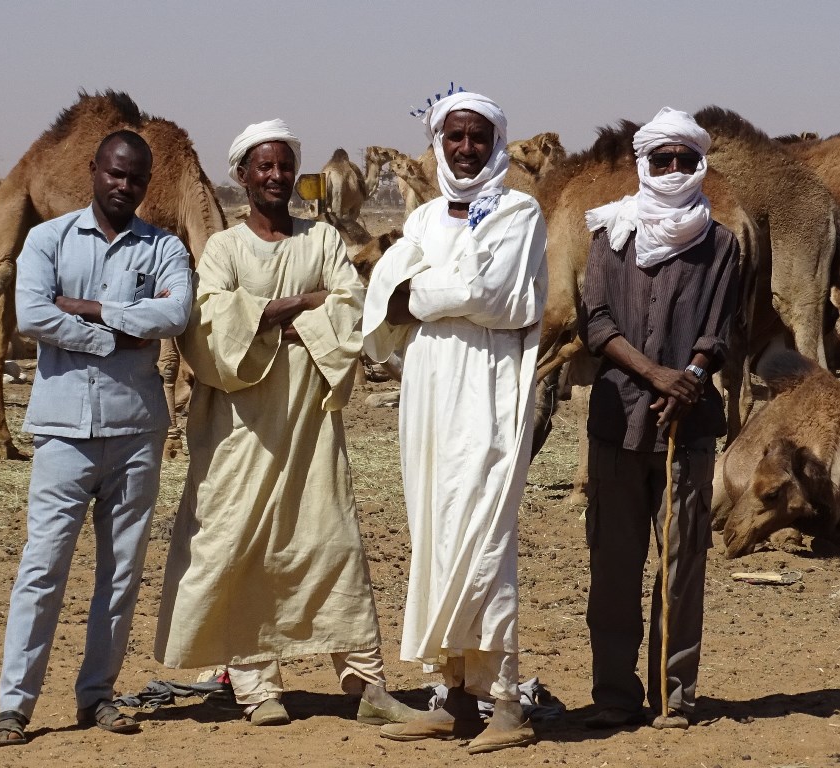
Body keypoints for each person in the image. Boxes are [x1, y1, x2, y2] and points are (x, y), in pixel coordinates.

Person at [154, 120, 418, 728]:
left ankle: (366, 680)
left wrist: (267, 320)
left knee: (331, 540)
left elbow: (350, 306)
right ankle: (255, 684)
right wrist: (298, 306)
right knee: (239, 546)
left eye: (282, 167)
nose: (274, 177)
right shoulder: (223, 249)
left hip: (310, 420)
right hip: (238, 428)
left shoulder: (322, 239)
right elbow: (212, 323)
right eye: (262, 167)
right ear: (243, 175)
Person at [0, 130, 194, 746]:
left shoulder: (165, 248)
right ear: (94, 171)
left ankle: (97, 695)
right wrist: (120, 332)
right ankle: (14, 707)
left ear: (146, 183)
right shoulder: (48, 239)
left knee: (121, 573)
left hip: (136, 431)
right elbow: (32, 315)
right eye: (114, 175)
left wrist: (90, 310)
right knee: (42, 567)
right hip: (62, 432)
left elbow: (176, 315)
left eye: (135, 179)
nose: (123, 187)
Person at [362, 92, 548, 754]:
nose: (464, 148)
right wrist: (416, 296)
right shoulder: (424, 221)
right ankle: (450, 697)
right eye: (453, 137)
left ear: (494, 142)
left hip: (490, 391)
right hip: (430, 393)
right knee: (436, 536)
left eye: (476, 137)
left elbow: (489, 296)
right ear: (437, 144)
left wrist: (419, 297)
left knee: (482, 543)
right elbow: (383, 295)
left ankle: (505, 704)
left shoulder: (518, 212)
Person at [578, 107, 739, 730]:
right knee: (613, 564)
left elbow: (719, 329)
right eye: (662, 159)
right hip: (618, 422)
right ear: (644, 164)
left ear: (699, 165)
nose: (673, 169)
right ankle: (614, 696)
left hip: (687, 425)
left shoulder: (721, 243)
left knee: (682, 563)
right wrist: (655, 374)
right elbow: (596, 322)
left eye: (685, 160)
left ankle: (675, 694)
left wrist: (692, 378)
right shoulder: (609, 235)